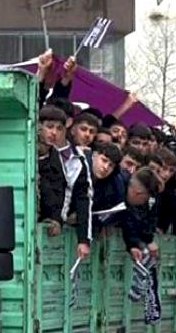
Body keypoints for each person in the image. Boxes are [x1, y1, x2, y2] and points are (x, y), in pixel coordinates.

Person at [37, 105, 93, 260]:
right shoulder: (23, 151)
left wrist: (83, 239)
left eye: (59, 128)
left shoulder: (71, 161)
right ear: (38, 126)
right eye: (49, 127)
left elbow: (74, 197)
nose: (54, 132)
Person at [91, 143, 128, 231]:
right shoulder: (78, 170)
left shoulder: (113, 184)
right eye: (104, 160)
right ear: (95, 155)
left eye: (111, 165)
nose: (106, 167)